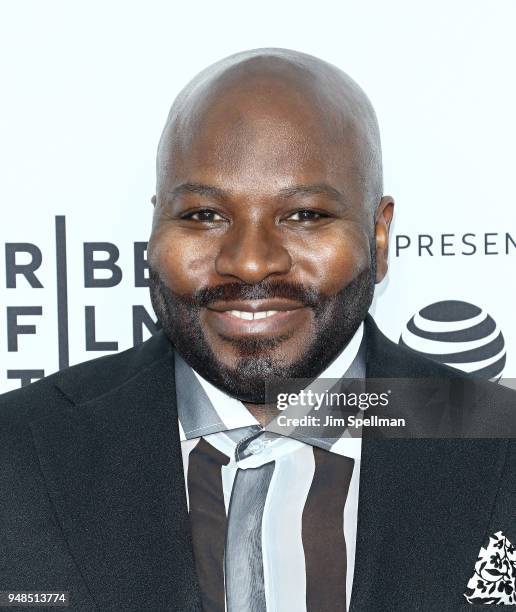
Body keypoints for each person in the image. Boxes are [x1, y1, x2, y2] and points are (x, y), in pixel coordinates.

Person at [1, 48, 515, 612]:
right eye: (204, 215)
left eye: (305, 216)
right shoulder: (18, 452)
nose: (249, 262)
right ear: (155, 227)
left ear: (379, 233)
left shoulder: (500, 444)